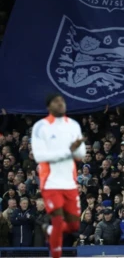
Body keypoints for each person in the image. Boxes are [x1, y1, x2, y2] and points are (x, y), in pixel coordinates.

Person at [31, 94, 86, 258]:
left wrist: (75, 149)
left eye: (62, 101)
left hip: (70, 182)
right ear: (49, 107)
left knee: (74, 226)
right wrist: (68, 150)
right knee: (57, 220)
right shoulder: (41, 126)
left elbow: (80, 154)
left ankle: (48, 230)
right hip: (50, 182)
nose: (61, 104)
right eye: (57, 102)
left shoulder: (73, 125)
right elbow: (39, 157)